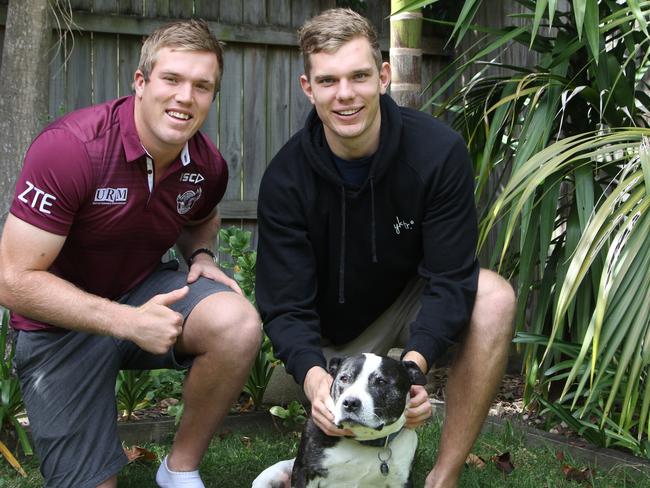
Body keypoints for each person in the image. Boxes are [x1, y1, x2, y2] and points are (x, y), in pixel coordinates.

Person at [255, 8, 515, 488]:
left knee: (494, 295)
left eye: (358, 75)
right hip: (332, 344)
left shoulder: (438, 152)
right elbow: (285, 306)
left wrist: (413, 370)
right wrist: (315, 381)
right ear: (308, 88)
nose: (346, 94)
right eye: (328, 81)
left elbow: (450, 275)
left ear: (383, 76)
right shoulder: (285, 179)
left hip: (404, 308)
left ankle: (443, 477)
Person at [0, 19, 261, 488]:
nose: (186, 97)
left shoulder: (206, 164)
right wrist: (125, 321)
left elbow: (200, 214)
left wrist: (201, 254)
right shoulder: (71, 149)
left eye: (202, 86)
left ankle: (179, 469)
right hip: (58, 326)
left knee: (237, 323)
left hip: (144, 295)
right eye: (172, 79)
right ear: (140, 83)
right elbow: (12, 280)